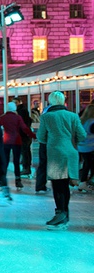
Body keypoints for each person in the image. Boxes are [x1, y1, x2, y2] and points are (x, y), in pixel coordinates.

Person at [38, 91, 86, 230]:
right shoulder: (72, 116)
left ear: (50, 101)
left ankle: (60, 213)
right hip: (71, 153)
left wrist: (53, 140)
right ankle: (65, 215)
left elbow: (41, 137)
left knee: (58, 185)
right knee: (65, 185)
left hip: (55, 154)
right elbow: (82, 135)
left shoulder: (47, 117)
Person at [0, 102, 36, 190]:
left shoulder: (3, 118)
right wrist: (33, 135)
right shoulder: (18, 118)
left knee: (5, 161)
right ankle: (18, 181)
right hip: (16, 141)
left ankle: (2, 180)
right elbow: (25, 128)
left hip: (6, 141)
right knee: (16, 162)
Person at [13, 98, 34, 176]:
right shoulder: (22, 111)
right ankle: (26, 167)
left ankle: (26, 168)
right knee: (25, 152)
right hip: (24, 135)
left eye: (15, 102)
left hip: (23, 135)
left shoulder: (21, 111)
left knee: (25, 152)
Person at [77, 104, 94, 192]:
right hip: (89, 147)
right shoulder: (92, 122)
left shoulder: (82, 121)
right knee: (88, 164)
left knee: (87, 164)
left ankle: (83, 181)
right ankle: (85, 181)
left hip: (81, 146)